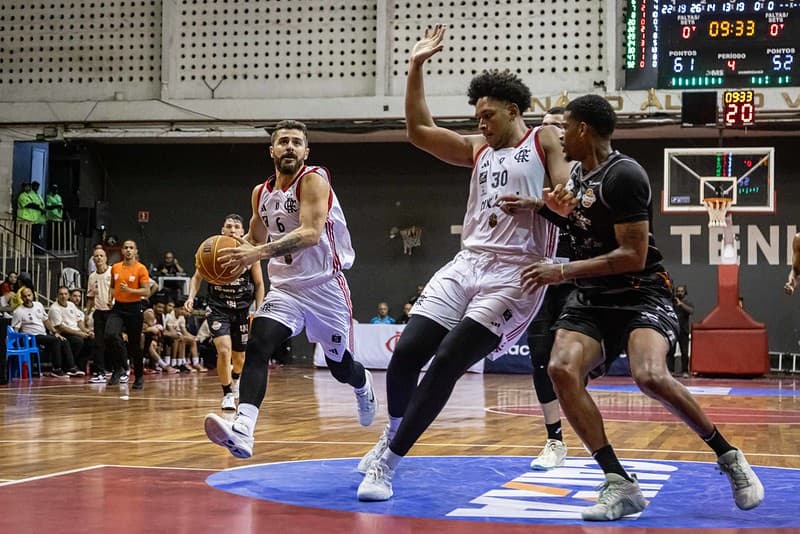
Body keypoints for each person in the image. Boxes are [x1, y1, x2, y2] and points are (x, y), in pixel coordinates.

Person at [519, 94, 763, 521]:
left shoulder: (624, 174)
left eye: (564, 128)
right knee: (560, 368)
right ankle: (618, 481)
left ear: (582, 129)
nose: (558, 136)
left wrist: (562, 271)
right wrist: (540, 209)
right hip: (593, 298)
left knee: (649, 375)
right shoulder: (576, 176)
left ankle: (728, 456)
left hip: (639, 292)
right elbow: (583, 225)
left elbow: (632, 254)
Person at [356, 25, 569, 502]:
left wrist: (540, 202)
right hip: (468, 262)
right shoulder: (478, 149)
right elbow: (418, 132)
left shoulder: (544, 140)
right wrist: (415, 66)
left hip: (518, 272)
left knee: (448, 361)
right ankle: (392, 435)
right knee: (408, 351)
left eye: (489, 116)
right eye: (478, 117)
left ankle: (389, 466)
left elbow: (566, 202)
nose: (482, 124)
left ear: (513, 111)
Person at [203, 119, 378, 459]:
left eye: (297, 142)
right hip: (286, 289)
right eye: (283, 141)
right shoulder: (261, 192)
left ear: (306, 151)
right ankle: (243, 429)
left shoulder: (314, 179)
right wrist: (234, 252)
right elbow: (256, 237)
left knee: (341, 367)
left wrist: (258, 252)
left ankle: (362, 384)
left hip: (325, 287)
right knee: (259, 343)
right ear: (271, 150)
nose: (289, 147)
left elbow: (311, 233)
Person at [519, 107, 574, 471]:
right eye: (545, 128)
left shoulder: (583, 174)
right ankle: (555, 439)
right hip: (540, 277)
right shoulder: (526, 175)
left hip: (576, 278)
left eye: (557, 127)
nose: (550, 134)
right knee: (540, 360)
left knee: (571, 362)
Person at [186, 214, 265, 411]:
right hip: (218, 308)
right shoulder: (211, 249)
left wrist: (260, 308)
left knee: (239, 359)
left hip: (242, 310)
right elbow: (197, 277)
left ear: (242, 230)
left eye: (236, 226)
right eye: (228, 226)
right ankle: (227, 393)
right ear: (222, 230)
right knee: (223, 351)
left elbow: (259, 284)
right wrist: (190, 297)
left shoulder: (249, 253)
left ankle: (236, 380)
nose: (232, 229)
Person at [106, 239, 151, 390]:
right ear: (122, 251)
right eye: (126, 248)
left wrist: (130, 291)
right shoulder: (116, 267)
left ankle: (138, 376)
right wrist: (110, 298)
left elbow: (146, 291)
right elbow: (112, 286)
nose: (128, 250)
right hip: (118, 307)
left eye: (131, 248)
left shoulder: (141, 269)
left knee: (134, 345)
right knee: (110, 334)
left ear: (136, 251)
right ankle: (119, 367)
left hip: (134, 307)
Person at [11, 287, 79, 377]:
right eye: (24, 296)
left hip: (42, 334)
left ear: (33, 295)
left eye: (29, 295)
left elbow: (46, 321)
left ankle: (71, 368)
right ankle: (56, 369)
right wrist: (15, 342)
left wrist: (55, 332)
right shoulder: (18, 311)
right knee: (55, 340)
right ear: (21, 298)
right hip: (31, 336)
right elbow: (15, 330)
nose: (27, 298)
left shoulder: (38, 305)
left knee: (63, 340)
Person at [48, 286, 91, 376]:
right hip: (62, 333)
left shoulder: (71, 305)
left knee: (92, 341)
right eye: (61, 294)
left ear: (68, 296)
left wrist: (86, 331)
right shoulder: (54, 308)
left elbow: (78, 321)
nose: (63, 296)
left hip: (76, 330)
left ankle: (80, 366)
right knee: (78, 341)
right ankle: (69, 367)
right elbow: (61, 327)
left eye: (65, 294)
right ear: (57, 296)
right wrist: (79, 333)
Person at [86, 247, 112, 382]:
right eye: (96, 256)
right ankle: (100, 373)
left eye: (101, 256)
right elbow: (90, 296)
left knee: (115, 340)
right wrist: (87, 312)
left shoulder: (112, 272)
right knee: (98, 343)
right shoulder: (92, 277)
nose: (99, 258)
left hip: (112, 312)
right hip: (99, 312)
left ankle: (121, 368)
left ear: (106, 258)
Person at [672, 285, 694, 377]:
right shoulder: (672, 302)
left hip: (683, 331)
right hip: (673, 330)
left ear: (685, 293)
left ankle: (685, 371)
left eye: (682, 291)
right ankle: (670, 370)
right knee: (670, 352)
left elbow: (691, 311)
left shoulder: (688, 303)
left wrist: (681, 304)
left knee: (684, 352)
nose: (679, 293)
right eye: (678, 291)